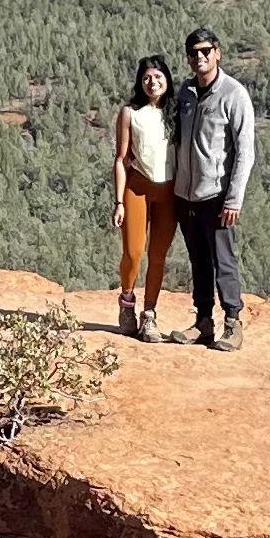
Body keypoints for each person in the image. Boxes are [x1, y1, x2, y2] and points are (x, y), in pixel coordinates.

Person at [169, 25, 256, 351]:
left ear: (218, 52)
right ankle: (203, 322)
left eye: (206, 51)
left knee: (224, 261)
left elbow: (245, 152)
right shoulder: (186, 93)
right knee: (199, 261)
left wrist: (233, 199)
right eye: (193, 53)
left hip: (217, 196)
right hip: (186, 195)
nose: (200, 57)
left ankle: (233, 324)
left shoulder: (234, 94)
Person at [111, 53, 179, 339]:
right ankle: (127, 302)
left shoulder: (177, 111)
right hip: (137, 188)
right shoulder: (130, 112)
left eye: (158, 76)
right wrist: (118, 202)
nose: (153, 82)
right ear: (140, 83)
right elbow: (121, 159)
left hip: (170, 193)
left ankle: (149, 314)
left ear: (167, 79)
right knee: (134, 251)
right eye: (147, 78)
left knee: (158, 256)